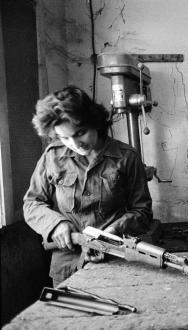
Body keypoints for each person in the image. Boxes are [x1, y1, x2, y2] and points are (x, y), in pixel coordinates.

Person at [24, 86, 153, 286]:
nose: (76, 144)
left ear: (95, 123)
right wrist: (56, 224)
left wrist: (113, 232)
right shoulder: (52, 156)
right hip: (67, 265)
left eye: (80, 133)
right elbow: (32, 203)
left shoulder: (127, 157)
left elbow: (142, 211)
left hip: (115, 259)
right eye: (65, 138)